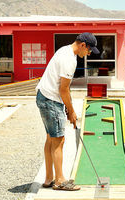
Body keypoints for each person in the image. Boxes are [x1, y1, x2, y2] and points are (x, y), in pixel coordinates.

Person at [36, 32, 99, 190]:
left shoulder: (64, 50)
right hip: (50, 100)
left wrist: (66, 107)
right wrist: (71, 111)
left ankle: (49, 178)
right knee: (59, 140)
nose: (89, 53)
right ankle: (60, 181)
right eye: (90, 50)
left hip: (44, 96)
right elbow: (63, 89)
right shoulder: (69, 59)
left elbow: (63, 89)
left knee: (51, 138)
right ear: (83, 45)